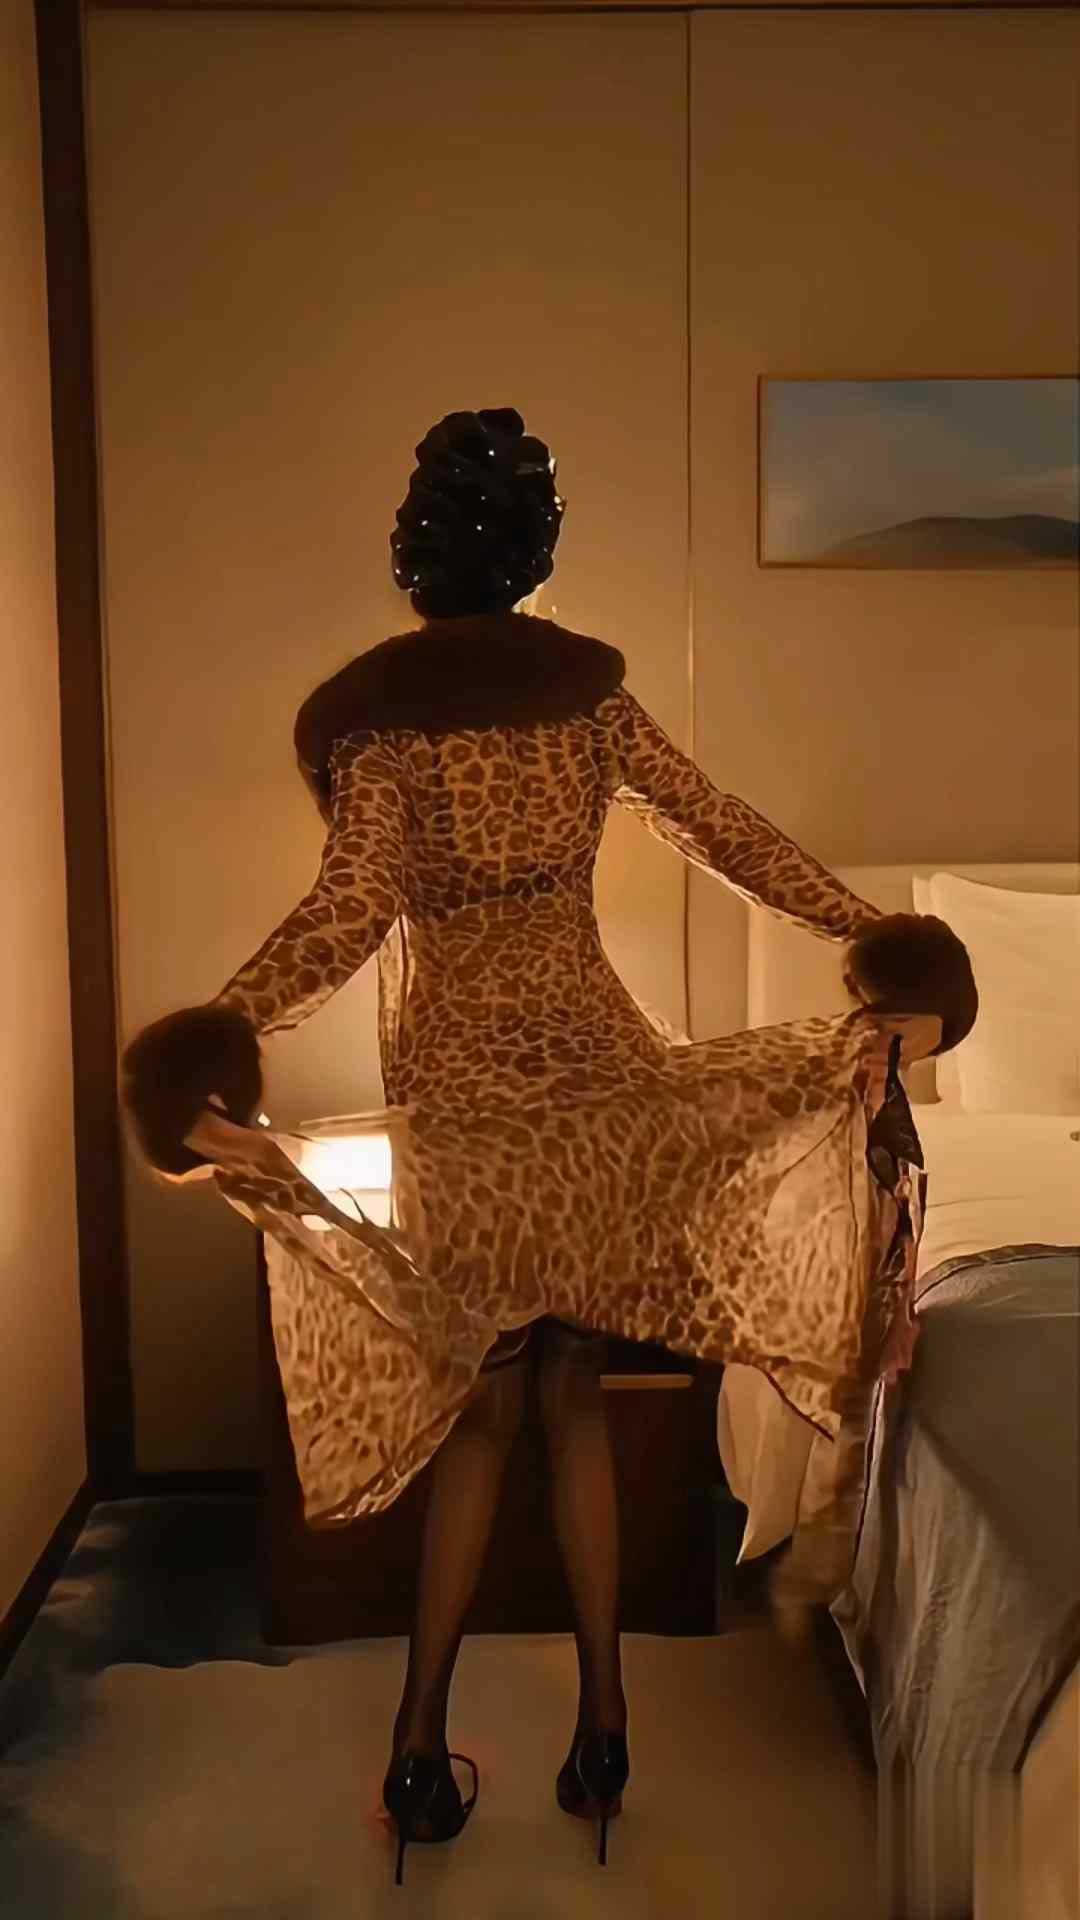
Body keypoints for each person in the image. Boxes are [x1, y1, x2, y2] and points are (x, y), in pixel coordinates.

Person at [121, 408, 977, 1886]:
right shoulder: (585, 703)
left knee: (488, 1410)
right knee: (575, 1397)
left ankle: (417, 1740)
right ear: (534, 556)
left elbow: (348, 909)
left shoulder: (381, 726)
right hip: (598, 1084)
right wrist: (873, 939)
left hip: (466, 1101)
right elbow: (724, 829)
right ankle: (605, 1727)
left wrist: (221, 1034)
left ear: (417, 558)